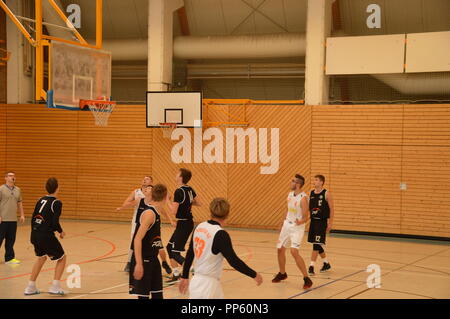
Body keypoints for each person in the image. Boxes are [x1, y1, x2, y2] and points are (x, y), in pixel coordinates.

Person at [179, 198, 263, 299]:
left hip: (199, 281)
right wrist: (254, 274)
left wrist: (184, 276)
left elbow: (190, 253)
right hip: (207, 286)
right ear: (227, 214)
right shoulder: (220, 234)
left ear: (211, 211)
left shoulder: (199, 227)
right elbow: (234, 261)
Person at [116, 175, 172, 275]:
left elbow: (163, 211)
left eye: (150, 187)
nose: (147, 189)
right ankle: (131, 263)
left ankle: (164, 262)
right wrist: (121, 208)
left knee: (158, 246)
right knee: (136, 243)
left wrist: (170, 220)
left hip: (153, 226)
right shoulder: (139, 198)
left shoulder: (154, 203)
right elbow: (127, 204)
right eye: (146, 188)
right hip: (139, 224)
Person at [24, 178, 66, 295]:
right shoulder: (56, 202)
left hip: (35, 233)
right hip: (45, 235)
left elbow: (33, 218)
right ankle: (55, 287)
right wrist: (60, 231)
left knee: (41, 257)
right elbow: (54, 222)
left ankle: (30, 287)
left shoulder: (40, 200)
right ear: (57, 188)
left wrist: (35, 232)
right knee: (62, 258)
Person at [272, 174, 313, 289]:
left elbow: (306, 216)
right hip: (287, 225)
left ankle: (306, 278)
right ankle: (282, 273)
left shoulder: (304, 198)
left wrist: (300, 222)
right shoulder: (290, 194)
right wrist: (282, 223)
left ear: (298, 184)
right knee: (280, 249)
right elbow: (288, 209)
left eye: (293, 181)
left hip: (297, 227)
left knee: (294, 252)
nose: (291, 183)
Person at [129, 184, 168, 299]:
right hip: (143, 260)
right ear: (165, 198)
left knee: (158, 295)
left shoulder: (156, 212)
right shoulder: (150, 214)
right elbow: (137, 239)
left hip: (153, 259)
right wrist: (139, 264)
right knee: (143, 297)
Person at [166, 168, 200, 282]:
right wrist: (187, 203)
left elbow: (173, 211)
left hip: (184, 223)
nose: (175, 175)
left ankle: (193, 269)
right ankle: (176, 273)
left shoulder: (179, 191)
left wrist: (167, 200)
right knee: (169, 247)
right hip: (185, 223)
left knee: (175, 253)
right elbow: (199, 203)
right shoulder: (189, 189)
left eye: (177, 173)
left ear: (181, 177)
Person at [308, 175, 334, 275]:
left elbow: (332, 209)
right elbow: (308, 208)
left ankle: (311, 266)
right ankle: (326, 263)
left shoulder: (326, 194)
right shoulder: (311, 193)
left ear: (322, 182)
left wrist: (330, 223)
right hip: (313, 222)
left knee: (316, 244)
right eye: (314, 179)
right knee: (317, 244)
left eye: (317, 180)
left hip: (322, 222)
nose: (314, 181)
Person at [0, 171, 25, 264]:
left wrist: (22, 214)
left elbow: (19, 202)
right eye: (10, 176)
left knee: (11, 240)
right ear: (5, 178)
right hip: (2, 219)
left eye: (14, 176)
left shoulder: (18, 190)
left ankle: (9, 258)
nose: (12, 177)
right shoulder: (1, 189)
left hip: (13, 220)